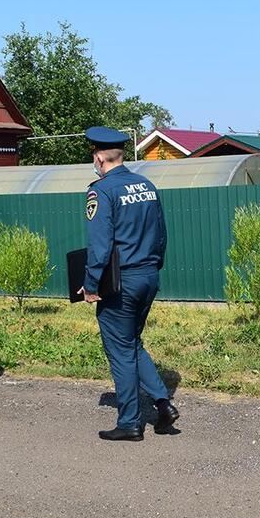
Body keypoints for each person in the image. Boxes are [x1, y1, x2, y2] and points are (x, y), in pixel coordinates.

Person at [79, 126, 178, 441]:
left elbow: (100, 244)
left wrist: (91, 283)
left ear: (98, 157)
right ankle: (163, 403)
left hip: (120, 282)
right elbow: (161, 233)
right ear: (120, 154)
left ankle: (130, 423)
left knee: (119, 351)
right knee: (131, 343)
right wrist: (154, 267)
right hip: (149, 275)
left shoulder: (102, 190)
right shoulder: (146, 185)